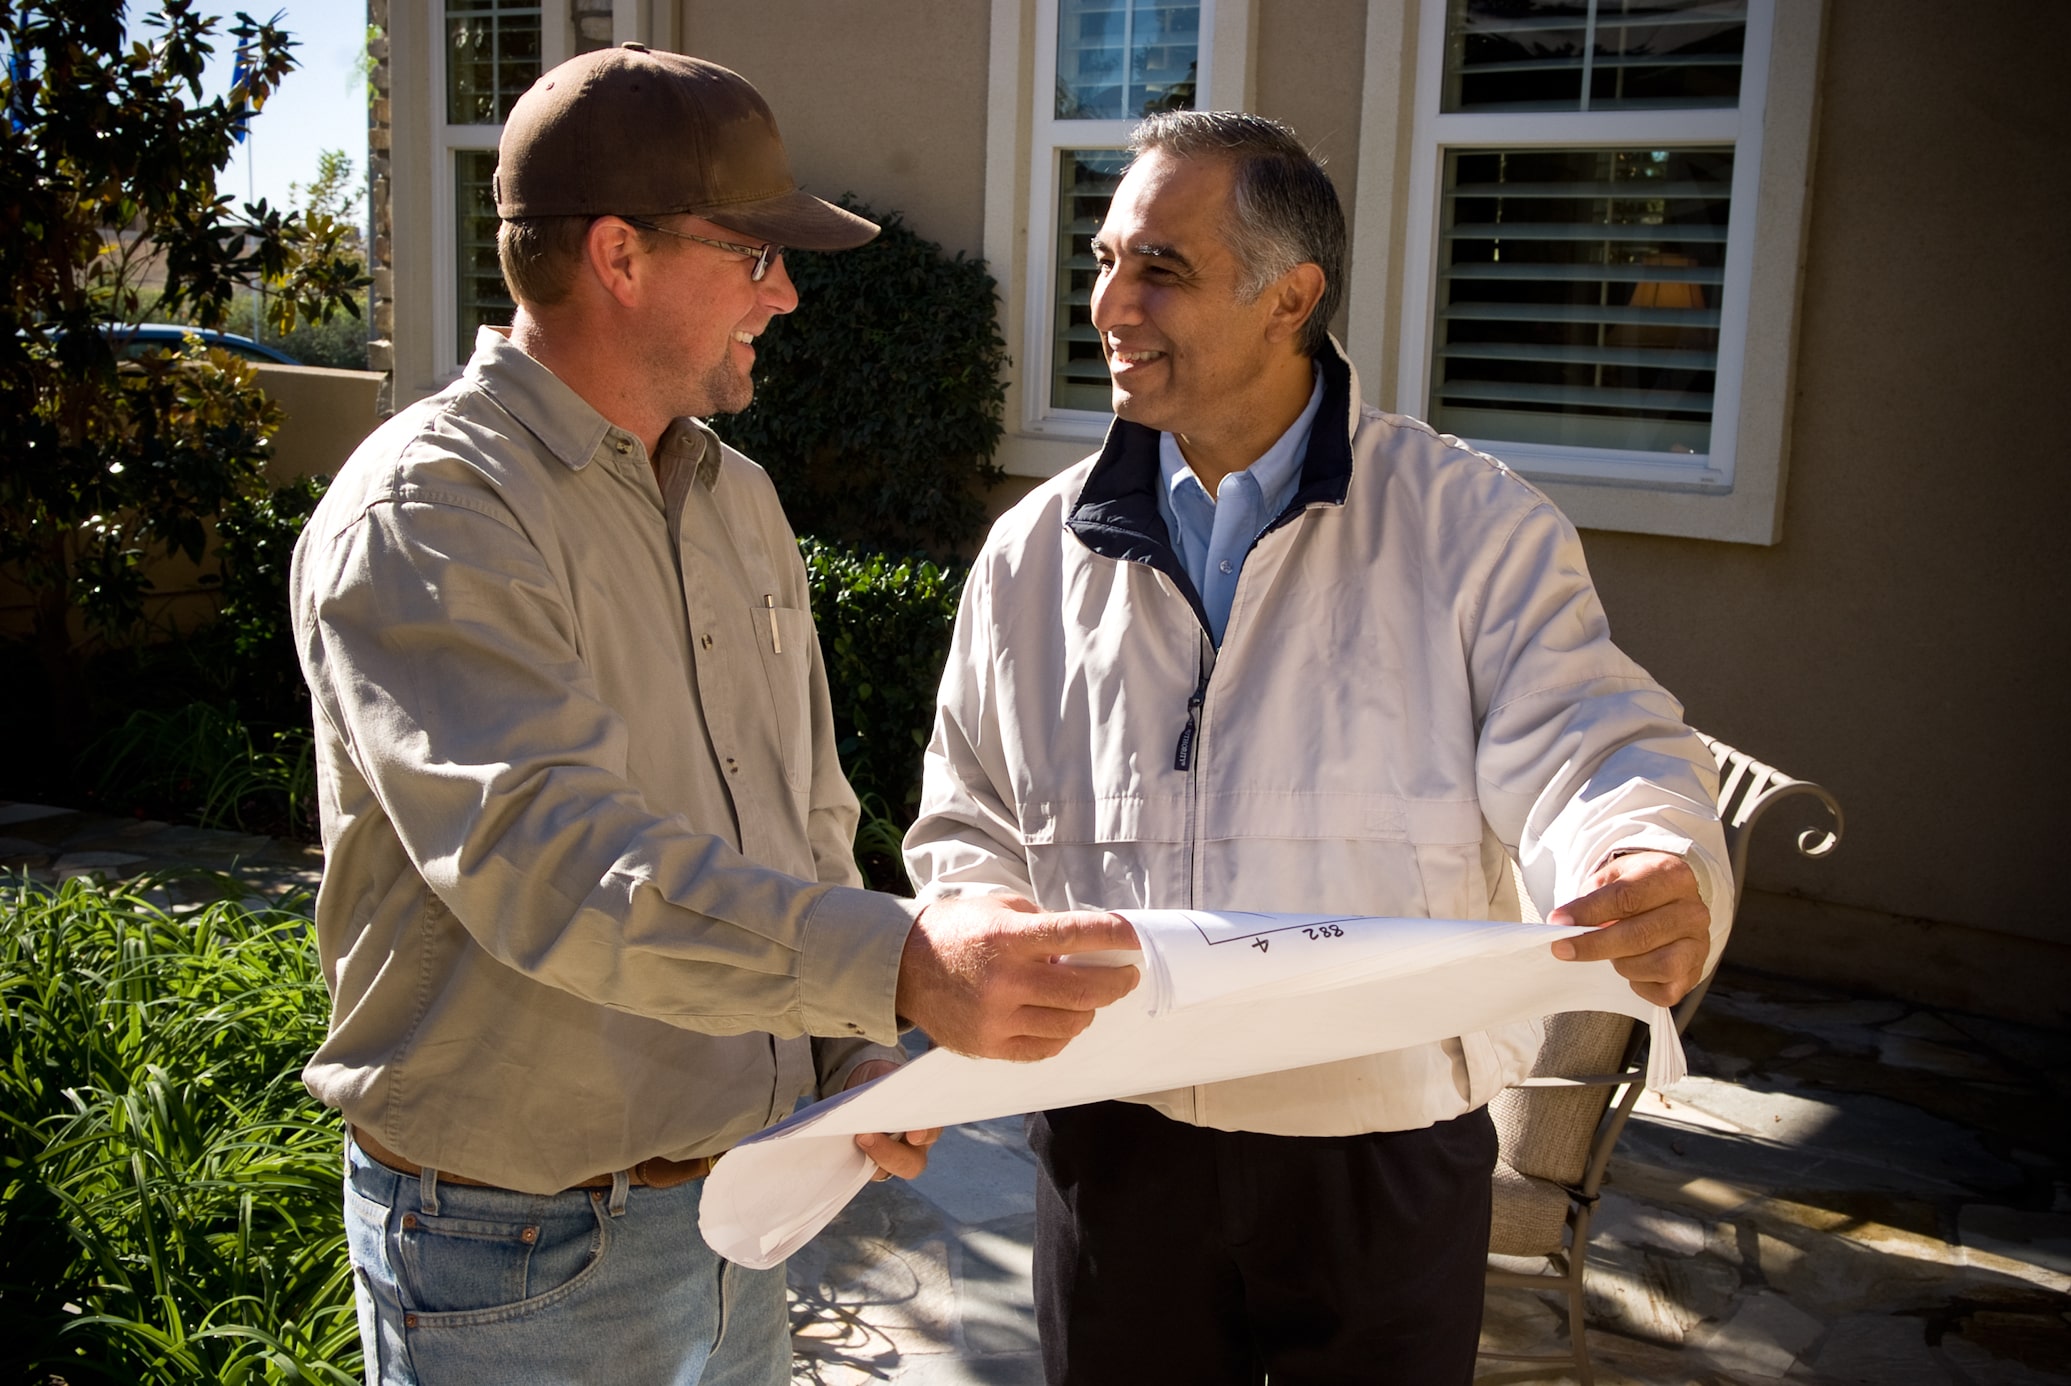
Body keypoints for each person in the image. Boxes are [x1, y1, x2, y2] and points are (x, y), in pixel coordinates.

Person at [289, 44, 1138, 1386]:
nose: (787, 294)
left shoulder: (735, 498)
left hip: (742, 1211)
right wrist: (903, 964)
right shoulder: (432, 514)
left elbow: (800, 812)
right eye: (754, 257)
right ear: (618, 255)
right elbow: (555, 863)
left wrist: (857, 1055)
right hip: (519, 1255)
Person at [903, 110, 1731, 1385]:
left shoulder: (1472, 526)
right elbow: (967, 809)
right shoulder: (1030, 555)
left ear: (1291, 297)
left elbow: (1590, 736)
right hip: (1115, 1139)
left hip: (1382, 1145)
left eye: (1160, 269)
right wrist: (977, 922)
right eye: (1105, 257)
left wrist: (1644, 849)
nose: (1110, 302)